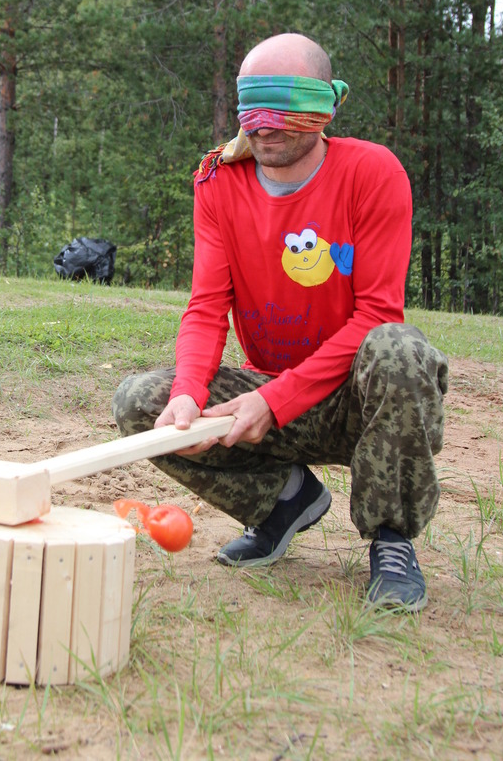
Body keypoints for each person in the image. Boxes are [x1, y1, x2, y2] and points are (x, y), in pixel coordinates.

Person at [113, 32, 448, 611]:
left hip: (358, 401)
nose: (262, 126)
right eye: (251, 109)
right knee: (142, 403)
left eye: (282, 109)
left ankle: (392, 540)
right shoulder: (218, 180)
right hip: (266, 392)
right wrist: (190, 393)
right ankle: (284, 502)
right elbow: (205, 305)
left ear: (324, 109)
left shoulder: (373, 173)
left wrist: (275, 402)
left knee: (399, 349)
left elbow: (377, 312)